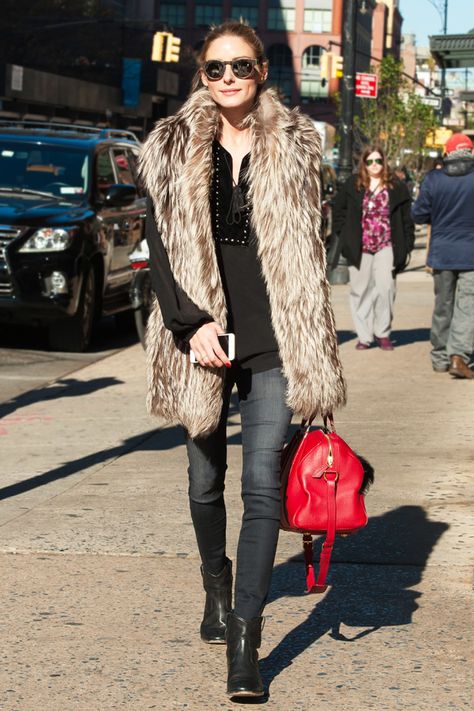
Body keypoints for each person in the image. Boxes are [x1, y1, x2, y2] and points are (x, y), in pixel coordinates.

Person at [139, 20, 346, 699]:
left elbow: (320, 239)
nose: (228, 79)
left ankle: (245, 643)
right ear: (200, 74)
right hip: (201, 336)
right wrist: (189, 323)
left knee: (262, 488)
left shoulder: (296, 143)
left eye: (241, 67)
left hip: (276, 335)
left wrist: (313, 324)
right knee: (205, 482)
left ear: (263, 72)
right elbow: (160, 247)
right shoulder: (168, 145)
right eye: (215, 68)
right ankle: (216, 587)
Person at [333, 146, 415, 351]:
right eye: (369, 162)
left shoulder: (396, 186)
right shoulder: (353, 184)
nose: (374, 165)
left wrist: (407, 244)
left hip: (386, 244)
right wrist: (342, 234)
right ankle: (364, 335)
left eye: (378, 161)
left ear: (384, 162)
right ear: (364, 164)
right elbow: (338, 208)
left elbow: (406, 219)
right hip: (359, 245)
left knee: (385, 288)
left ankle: (382, 332)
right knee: (360, 291)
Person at [412, 133, 474, 378]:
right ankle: (458, 355)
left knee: (443, 305)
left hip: (441, 252)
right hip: (471, 253)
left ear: (447, 153)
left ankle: (439, 357)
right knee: (467, 306)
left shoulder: (434, 179)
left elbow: (418, 215)